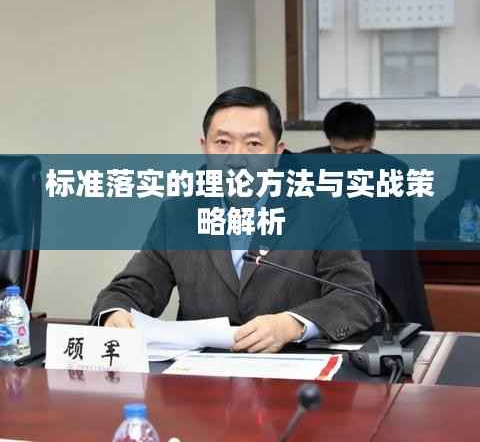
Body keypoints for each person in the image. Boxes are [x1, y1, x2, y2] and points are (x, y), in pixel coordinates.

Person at [91, 88, 377, 353]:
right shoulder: (179, 213)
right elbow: (132, 288)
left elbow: (358, 297)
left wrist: (292, 325)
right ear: (204, 147)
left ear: (277, 153)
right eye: (223, 143)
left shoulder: (321, 209)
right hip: (200, 377)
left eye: (253, 144)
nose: (237, 159)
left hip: (295, 372)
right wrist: (115, 314)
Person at [304, 101, 433, 329]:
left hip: (376, 271)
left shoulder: (393, 171)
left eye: (357, 151)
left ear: (372, 139)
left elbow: (400, 233)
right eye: (339, 152)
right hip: (318, 269)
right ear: (329, 141)